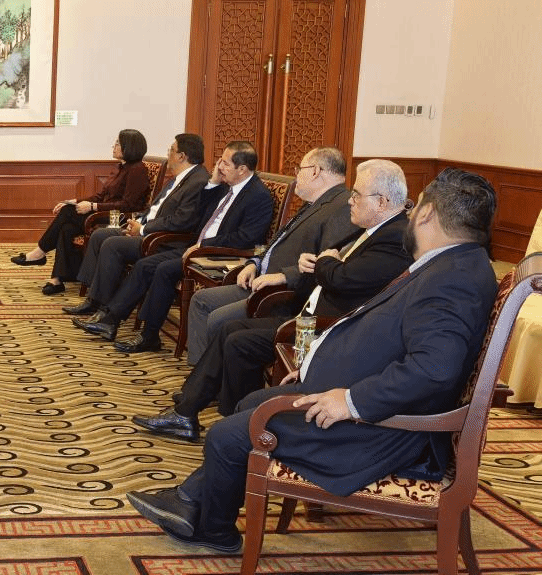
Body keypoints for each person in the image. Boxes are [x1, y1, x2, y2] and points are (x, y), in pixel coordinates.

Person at [125, 167, 499, 554]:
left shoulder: (452, 278)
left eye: (415, 206)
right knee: (252, 402)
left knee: (229, 433)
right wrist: (317, 368)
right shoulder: (454, 265)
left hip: (381, 431)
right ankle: (191, 501)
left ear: (427, 213)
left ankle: (215, 530)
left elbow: (434, 370)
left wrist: (349, 400)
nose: (409, 213)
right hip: (373, 407)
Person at [133, 159, 413, 440]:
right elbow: (330, 264)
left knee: (239, 341)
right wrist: (315, 264)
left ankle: (231, 425)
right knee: (230, 329)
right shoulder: (371, 228)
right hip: (308, 314)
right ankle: (198, 413)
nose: (351, 200)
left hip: (326, 328)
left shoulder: (394, 238)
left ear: (381, 201)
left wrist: (324, 262)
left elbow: (342, 277)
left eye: (357, 195)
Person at [78, 141, 272, 344]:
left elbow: (245, 237)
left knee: (164, 270)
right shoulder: (226, 186)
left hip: (218, 254)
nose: (219, 167)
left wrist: (204, 245)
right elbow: (200, 213)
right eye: (220, 161)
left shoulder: (258, 196)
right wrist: (213, 183)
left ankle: (149, 335)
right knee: (145, 265)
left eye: (225, 163)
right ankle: (111, 320)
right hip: (196, 247)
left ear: (242, 169)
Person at [183, 147, 357, 364]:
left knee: (219, 319)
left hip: (281, 293)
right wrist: (254, 262)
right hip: (259, 280)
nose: (296, 175)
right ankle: (201, 371)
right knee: (201, 300)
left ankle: (208, 376)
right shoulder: (315, 202)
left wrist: (283, 276)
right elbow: (275, 242)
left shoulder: (341, 207)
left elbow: (325, 264)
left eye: (299, 169)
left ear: (315, 171)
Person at [63, 134, 210, 316]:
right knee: (99, 235)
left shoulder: (197, 181)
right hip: (146, 226)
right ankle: (94, 298)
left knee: (112, 244)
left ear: (182, 156)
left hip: (161, 240)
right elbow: (154, 208)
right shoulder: (179, 178)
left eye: (171, 150)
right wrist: (138, 222)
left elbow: (181, 221)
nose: (168, 154)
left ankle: (100, 303)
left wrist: (142, 229)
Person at [10, 129, 151, 295]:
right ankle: (56, 280)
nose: (113, 146)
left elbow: (129, 205)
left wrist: (93, 207)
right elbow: (101, 196)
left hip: (118, 218)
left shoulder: (137, 170)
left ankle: (40, 253)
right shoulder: (120, 168)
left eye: (118, 143)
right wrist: (76, 201)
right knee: (67, 227)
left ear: (130, 146)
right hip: (105, 213)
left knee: (67, 212)